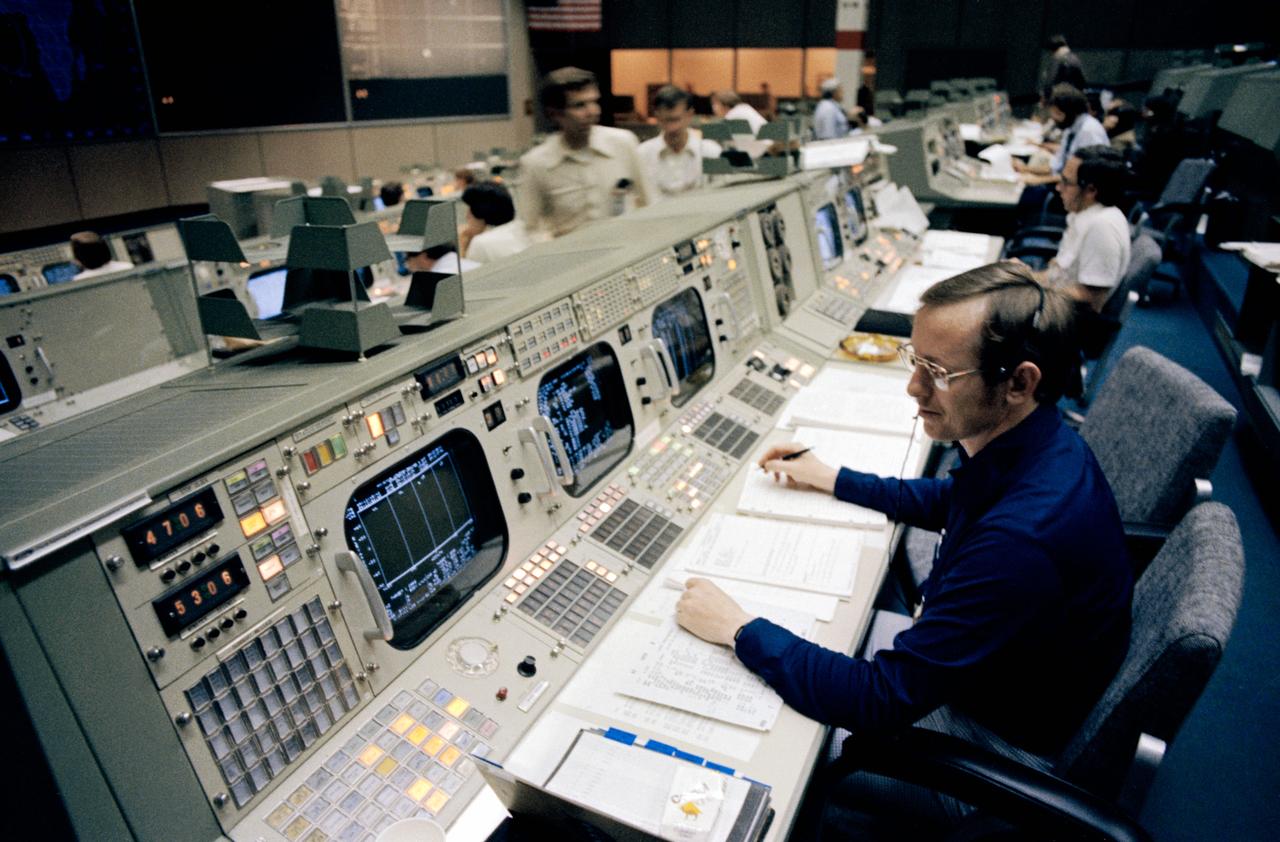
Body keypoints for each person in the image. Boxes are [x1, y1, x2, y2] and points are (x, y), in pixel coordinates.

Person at [676, 263, 1132, 835]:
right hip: (992, 683)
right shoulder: (1037, 443)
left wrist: (738, 628)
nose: (913, 387)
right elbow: (954, 499)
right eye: (915, 361)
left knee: (751, 762)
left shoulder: (1021, 540)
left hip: (984, 755)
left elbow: (878, 701)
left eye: (937, 372)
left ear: (1019, 382)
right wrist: (831, 476)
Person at [518, 67, 654, 239]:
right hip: (572, 258)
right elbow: (530, 227)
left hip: (625, 251)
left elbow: (649, 202)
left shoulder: (623, 143)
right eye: (579, 105)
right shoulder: (537, 163)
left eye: (594, 102)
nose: (592, 112)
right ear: (555, 114)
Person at [1043, 146, 1131, 314]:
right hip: (1056, 304)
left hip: (1064, 322)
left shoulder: (1102, 227)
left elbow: (1092, 300)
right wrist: (1022, 276)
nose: (1058, 188)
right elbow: (1060, 274)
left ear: (1091, 190)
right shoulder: (1084, 214)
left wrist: (1030, 292)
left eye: (1066, 182)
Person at [1014, 84, 1108, 187]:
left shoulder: (1089, 132)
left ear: (1069, 112)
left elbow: (1079, 176)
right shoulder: (1071, 129)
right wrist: (1025, 169)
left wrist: (1038, 180)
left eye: (1058, 114)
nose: (1053, 118)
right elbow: (1056, 167)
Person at [637, 85, 722, 197]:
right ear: (657, 117)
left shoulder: (712, 152)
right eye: (666, 120)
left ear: (689, 115)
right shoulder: (642, 154)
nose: (672, 128)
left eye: (676, 120)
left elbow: (723, 197)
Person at [459, 181, 528, 264]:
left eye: (469, 210)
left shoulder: (481, 243)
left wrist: (463, 246)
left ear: (479, 212)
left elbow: (467, 274)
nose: (467, 216)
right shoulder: (523, 227)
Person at [1040, 34, 1086, 101]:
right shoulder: (1075, 59)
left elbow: (1051, 79)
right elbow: (1082, 81)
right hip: (1074, 97)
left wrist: (1046, 96)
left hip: (1058, 97)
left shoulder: (1058, 59)